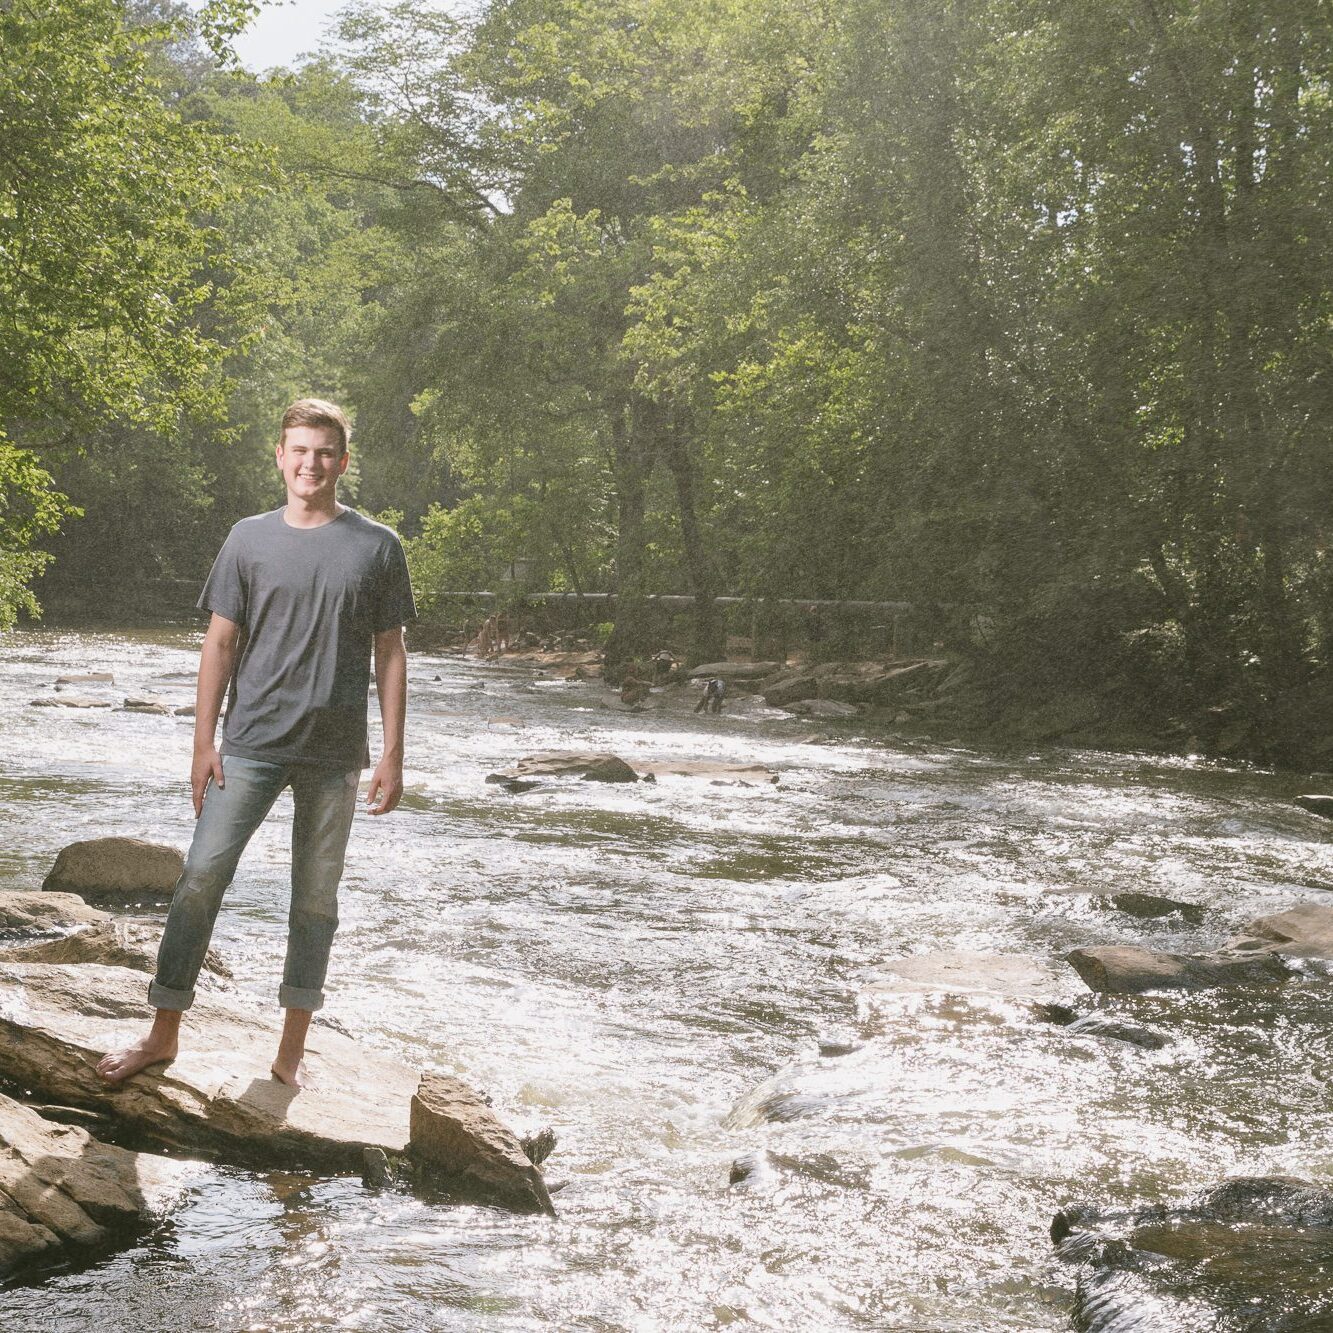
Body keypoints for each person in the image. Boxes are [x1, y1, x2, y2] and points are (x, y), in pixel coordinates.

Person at [97, 398, 416, 1089]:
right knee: (199, 879)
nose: (310, 463)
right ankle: (162, 1032)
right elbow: (220, 641)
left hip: (334, 755)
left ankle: (290, 1052)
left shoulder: (377, 546)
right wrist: (201, 741)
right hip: (248, 744)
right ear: (279, 456)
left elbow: (390, 652)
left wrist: (392, 751)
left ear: (342, 461)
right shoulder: (246, 539)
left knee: (314, 902)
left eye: (324, 452)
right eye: (298, 450)